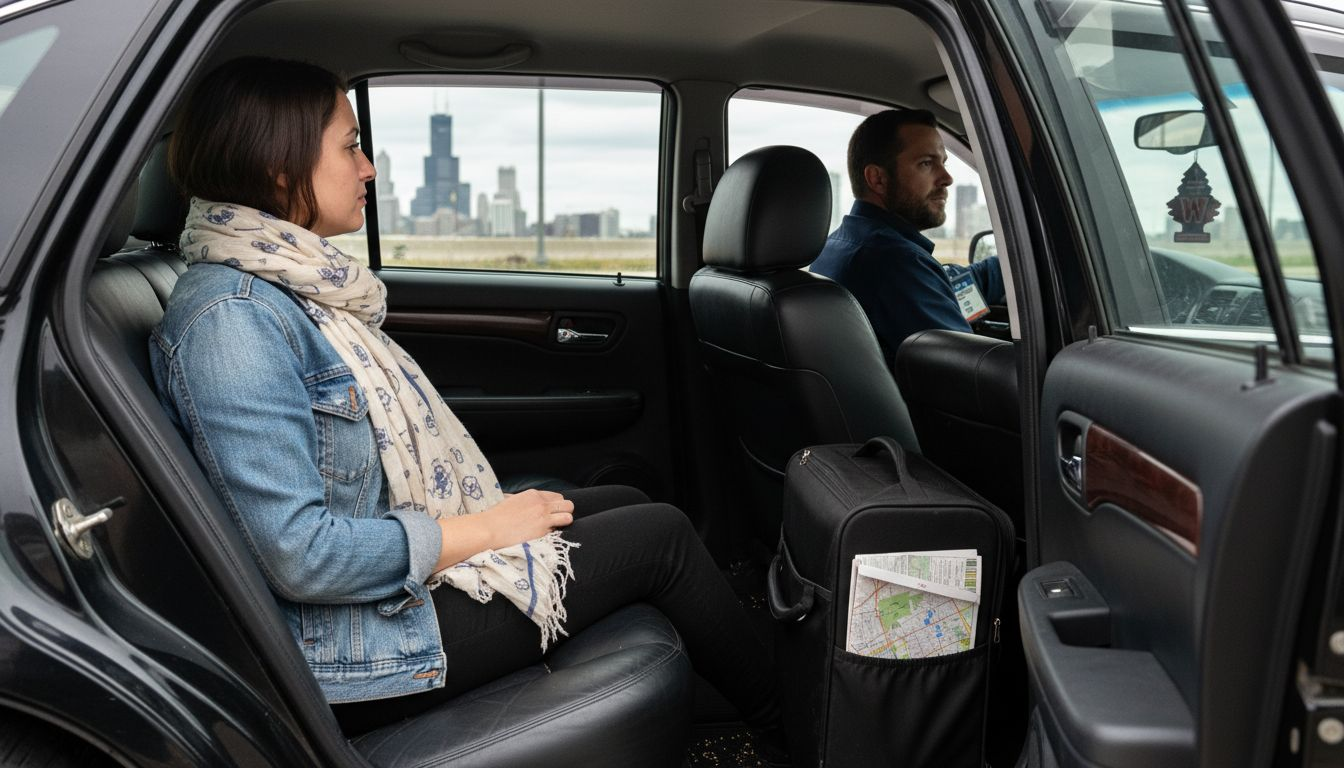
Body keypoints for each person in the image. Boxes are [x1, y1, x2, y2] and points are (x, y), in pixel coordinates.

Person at [148, 56, 783, 755]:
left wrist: (486, 522)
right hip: (351, 646)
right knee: (659, 534)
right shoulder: (231, 320)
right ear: (278, 167)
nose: (368, 168)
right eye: (350, 145)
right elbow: (301, 555)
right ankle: (797, 727)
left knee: (627, 499)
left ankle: (727, 700)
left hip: (373, 596)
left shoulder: (287, 291)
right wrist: (484, 530)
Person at [810, 109, 1005, 368]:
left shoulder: (840, 244)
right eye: (926, 163)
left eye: (943, 163)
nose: (947, 178)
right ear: (878, 179)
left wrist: (1016, 266)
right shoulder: (893, 262)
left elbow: (944, 288)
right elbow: (973, 373)